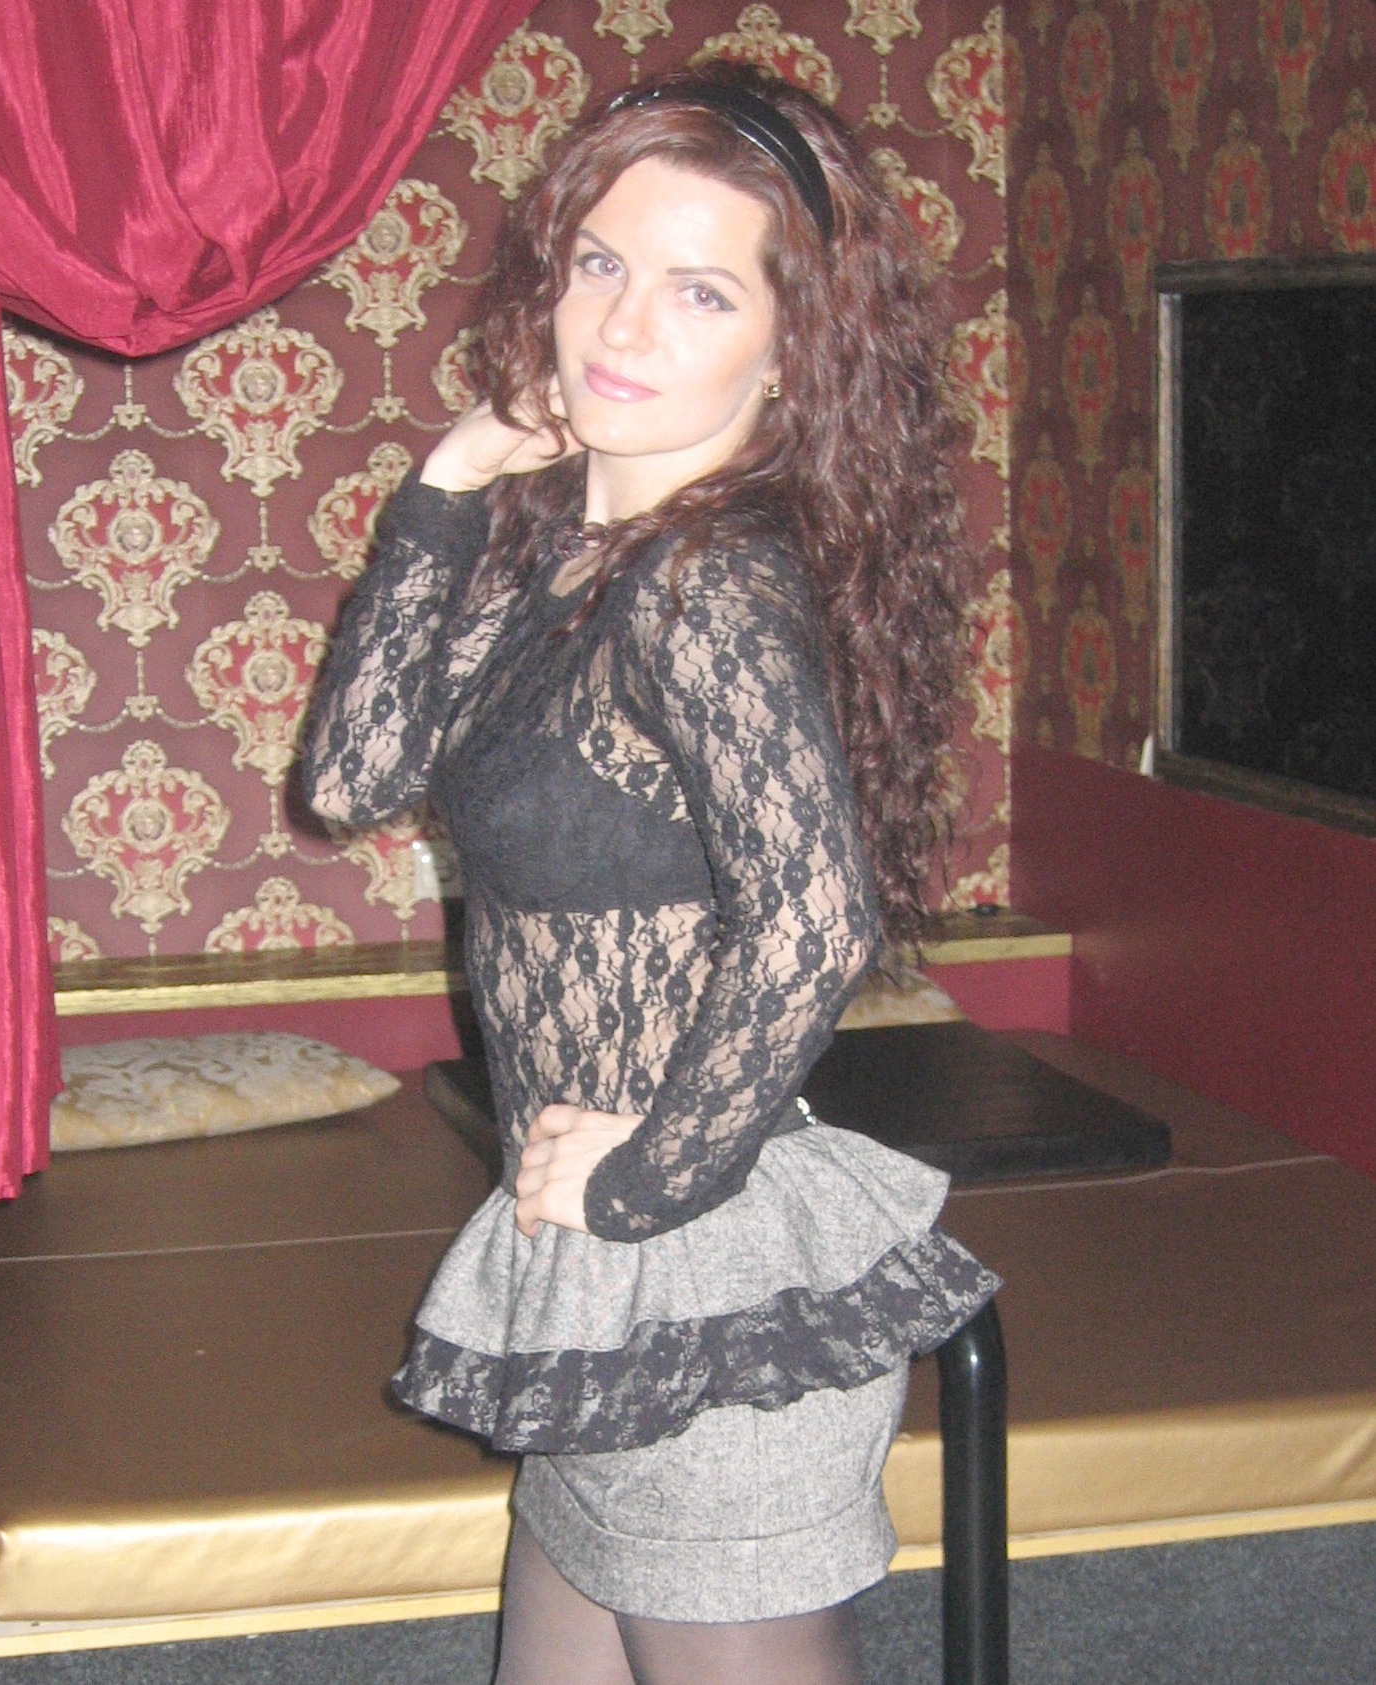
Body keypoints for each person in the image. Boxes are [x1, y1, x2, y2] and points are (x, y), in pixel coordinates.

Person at [302, 65, 999, 1685]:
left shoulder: (702, 586)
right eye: (598, 263)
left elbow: (814, 918)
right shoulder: (560, 554)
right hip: (593, 1272)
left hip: (696, 1266)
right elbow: (349, 776)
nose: (620, 325)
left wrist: (641, 1180)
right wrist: (450, 480)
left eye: (699, 291)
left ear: (790, 345)